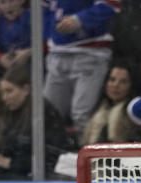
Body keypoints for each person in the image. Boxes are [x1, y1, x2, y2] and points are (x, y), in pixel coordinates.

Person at [0, 61, 75, 177]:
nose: (4, 98)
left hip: (42, 178)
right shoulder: (6, 113)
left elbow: (50, 155)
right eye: (2, 93)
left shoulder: (42, 111)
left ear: (26, 89)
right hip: (12, 175)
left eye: (9, 91)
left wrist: (8, 162)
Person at [43, 1, 120, 136]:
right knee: (48, 114)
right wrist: (48, 34)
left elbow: (111, 5)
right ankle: (54, 155)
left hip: (90, 53)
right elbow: (43, 10)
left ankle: (86, 154)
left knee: (82, 116)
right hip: (56, 54)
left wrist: (79, 20)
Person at [79, 62, 140, 145]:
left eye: (123, 82)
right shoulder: (98, 108)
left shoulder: (135, 112)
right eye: (112, 80)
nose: (116, 85)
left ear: (131, 85)